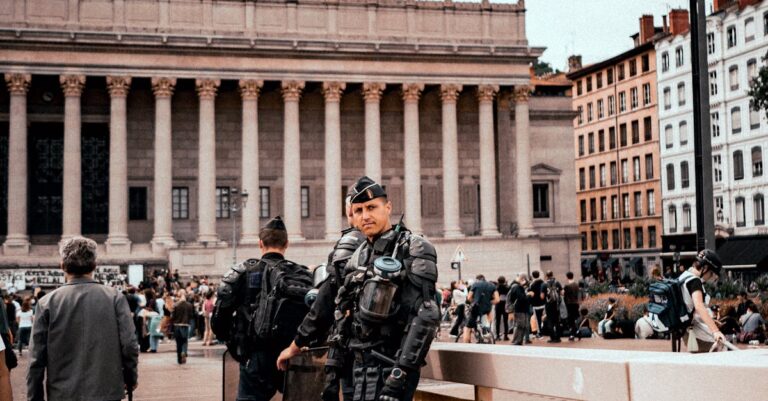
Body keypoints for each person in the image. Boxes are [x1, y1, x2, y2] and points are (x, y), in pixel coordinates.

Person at [280, 176, 439, 401]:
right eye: (359, 210)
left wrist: (399, 375)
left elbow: (426, 315)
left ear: (388, 207)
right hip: (359, 367)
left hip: (390, 366)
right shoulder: (357, 257)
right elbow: (341, 319)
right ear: (352, 216)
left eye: (371, 207)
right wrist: (331, 376)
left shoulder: (413, 247)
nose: (365, 216)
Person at [276, 189, 366, 401]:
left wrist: (295, 345)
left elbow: (323, 304)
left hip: (356, 353)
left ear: (348, 212)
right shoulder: (399, 244)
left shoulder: (349, 246)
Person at [27, 236, 139, 401]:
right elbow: (129, 345)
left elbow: (36, 359)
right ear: (94, 265)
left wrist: (34, 397)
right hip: (107, 392)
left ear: (62, 266)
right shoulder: (115, 297)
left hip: (63, 394)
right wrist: (130, 378)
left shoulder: (46, 303)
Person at [216, 216, 310, 401]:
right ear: (287, 244)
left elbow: (219, 322)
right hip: (294, 354)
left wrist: (238, 347)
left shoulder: (243, 273)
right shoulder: (303, 274)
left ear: (260, 244)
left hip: (256, 356)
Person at [680, 249, 726, 353]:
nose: (710, 277)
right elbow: (699, 306)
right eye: (711, 273)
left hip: (685, 330)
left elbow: (689, 307)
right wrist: (716, 331)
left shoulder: (683, 276)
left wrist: (711, 322)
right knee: (722, 346)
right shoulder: (695, 281)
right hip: (693, 333)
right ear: (704, 268)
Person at [463, 274, 498, 343]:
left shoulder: (475, 284)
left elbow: (469, 297)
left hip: (476, 307)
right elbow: (497, 300)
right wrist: (488, 302)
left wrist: (473, 302)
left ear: (477, 279)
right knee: (486, 322)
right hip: (487, 308)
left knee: (467, 327)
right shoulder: (492, 285)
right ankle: (487, 332)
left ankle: (466, 344)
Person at [507, 273, 533, 345]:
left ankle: (519, 340)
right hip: (519, 309)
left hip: (522, 308)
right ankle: (516, 340)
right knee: (519, 325)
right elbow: (521, 298)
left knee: (523, 325)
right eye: (523, 279)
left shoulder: (518, 287)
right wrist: (529, 295)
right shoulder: (517, 287)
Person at [171, 289, 195, 364]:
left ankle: (179, 358)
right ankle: (184, 351)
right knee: (185, 341)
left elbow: (172, 317)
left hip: (177, 325)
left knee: (178, 342)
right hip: (185, 325)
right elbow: (191, 316)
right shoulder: (189, 305)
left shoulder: (175, 305)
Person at [542, 271, 562, 343]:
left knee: (550, 321)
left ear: (546, 276)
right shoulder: (557, 282)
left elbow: (542, 296)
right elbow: (562, 292)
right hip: (556, 305)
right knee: (557, 321)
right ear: (552, 275)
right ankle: (558, 337)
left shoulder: (544, 284)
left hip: (548, 305)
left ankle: (552, 338)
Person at [563, 272, 580, 340]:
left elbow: (565, 296)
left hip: (569, 304)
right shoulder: (576, 284)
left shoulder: (567, 286)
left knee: (571, 320)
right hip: (576, 303)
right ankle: (576, 332)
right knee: (574, 319)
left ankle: (573, 334)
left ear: (567, 277)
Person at [528, 271, 545, 338]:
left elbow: (531, 294)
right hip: (543, 303)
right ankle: (542, 331)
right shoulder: (543, 283)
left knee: (537, 319)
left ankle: (539, 333)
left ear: (532, 276)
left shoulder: (532, 284)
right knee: (541, 317)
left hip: (536, 304)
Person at [494, 276, 510, 341]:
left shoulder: (496, 288)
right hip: (505, 305)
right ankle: (505, 336)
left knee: (497, 321)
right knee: (505, 321)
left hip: (498, 305)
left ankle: (497, 336)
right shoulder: (507, 288)